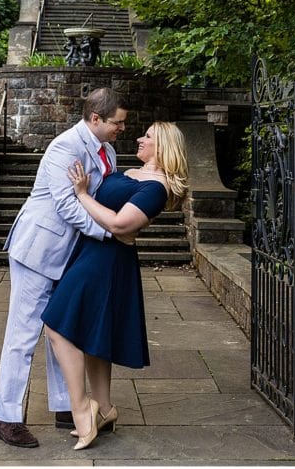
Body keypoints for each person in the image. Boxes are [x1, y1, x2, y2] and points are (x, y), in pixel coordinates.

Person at [0, 87, 133, 448]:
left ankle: (65, 406)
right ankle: (7, 416)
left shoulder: (109, 152)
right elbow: (67, 206)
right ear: (96, 119)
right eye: (117, 123)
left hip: (73, 254)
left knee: (63, 329)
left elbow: (100, 197)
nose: (122, 129)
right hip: (39, 249)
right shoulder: (65, 147)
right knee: (22, 336)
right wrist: (110, 233)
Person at [41, 122, 189, 450]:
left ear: (163, 146)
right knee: (95, 334)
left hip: (106, 260)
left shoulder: (157, 187)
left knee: (57, 328)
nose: (139, 138)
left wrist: (81, 194)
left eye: (148, 136)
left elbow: (120, 224)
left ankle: (82, 410)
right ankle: (106, 410)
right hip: (92, 252)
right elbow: (110, 214)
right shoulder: (134, 173)